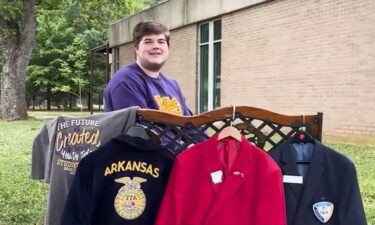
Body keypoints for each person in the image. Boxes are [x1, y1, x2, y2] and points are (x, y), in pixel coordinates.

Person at [103, 21, 192, 117]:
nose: (156, 46)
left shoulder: (173, 85)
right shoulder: (125, 81)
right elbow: (139, 129)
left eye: (161, 42)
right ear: (137, 48)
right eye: (148, 42)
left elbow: (190, 125)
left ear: (168, 48)